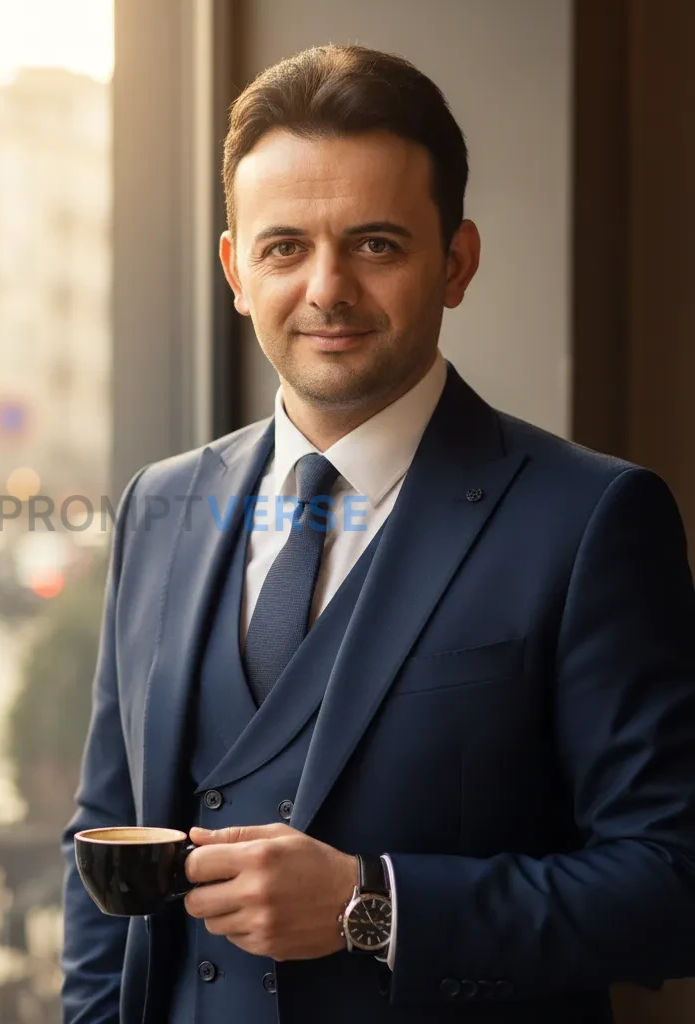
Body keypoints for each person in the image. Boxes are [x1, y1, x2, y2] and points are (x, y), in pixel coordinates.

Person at [61, 44, 695, 1024]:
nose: (326, 288)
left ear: (456, 262)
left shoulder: (591, 520)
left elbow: (670, 886)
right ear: (235, 269)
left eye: (375, 244)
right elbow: (103, 841)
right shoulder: (160, 502)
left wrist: (374, 906)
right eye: (284, 247)